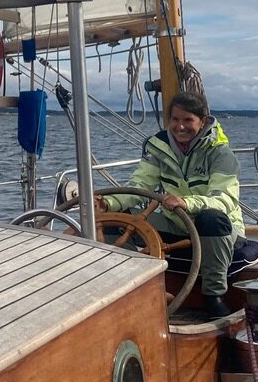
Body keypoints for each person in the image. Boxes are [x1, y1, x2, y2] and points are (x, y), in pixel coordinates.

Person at [95, 92, 243, 318]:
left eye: (188, 120)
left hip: (222, 230)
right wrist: (109, 203)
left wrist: (187, 203)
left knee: (211, 218)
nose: (180, 126)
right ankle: (134, 286)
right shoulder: (159, 147)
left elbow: (225, 199)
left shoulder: (220, 152)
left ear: (202, 121)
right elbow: (140, 185)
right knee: (116, 220)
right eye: (175, 119)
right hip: (176, 224)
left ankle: (214, 297)